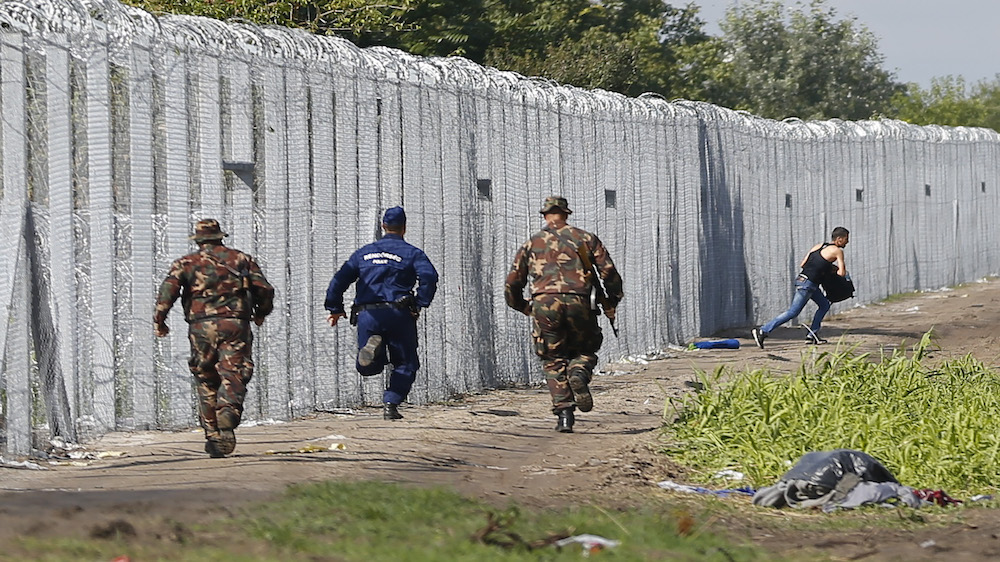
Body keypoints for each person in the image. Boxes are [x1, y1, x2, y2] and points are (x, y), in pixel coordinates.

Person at [154, 219, 275, 458]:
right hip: (235, 323)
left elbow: (168, 291)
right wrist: (261, 312)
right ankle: (227, 412)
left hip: (200, 327)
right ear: (220, 237)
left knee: (205, 377)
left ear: (198, 240)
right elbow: (264, 289)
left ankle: (212, 434)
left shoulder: (185, 263)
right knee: (234, 370)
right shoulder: (241, 260)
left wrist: (160, 320)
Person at [504, 196, 624, 433]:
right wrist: (611, 301)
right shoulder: (585, 238)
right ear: (566, 214)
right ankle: (579, 372)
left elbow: (512, 283)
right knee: (586, 349)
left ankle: (565, 415)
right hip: (581, 302)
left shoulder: (532, 243)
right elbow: (608, 273)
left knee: (552, 358)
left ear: (545, 216)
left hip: (544, 303)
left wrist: (524, 306)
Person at [325, 206, 439, 420]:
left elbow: (339, 280)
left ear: (383, 226)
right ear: (404, 228)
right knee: (406, 363)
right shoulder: (412, 253)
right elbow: (429, 277)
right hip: (399, 313)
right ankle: (391, 404)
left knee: (368, 369)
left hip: (368, 314)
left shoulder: (364, 253)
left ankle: (371, 356)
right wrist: (420, 302)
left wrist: (335, 308)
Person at [752, 227, 850, 349]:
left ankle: (812, 335)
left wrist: (826, 267)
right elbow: (841, 273)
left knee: (824, 304)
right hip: (808, 284)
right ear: (839, 239)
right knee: (793, 312)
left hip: (803, 280)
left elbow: (803, 264)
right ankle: (763, 331)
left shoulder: (819, 246)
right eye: (846, 239)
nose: (847, 242)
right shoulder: (837, 251)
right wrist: (836, 271)